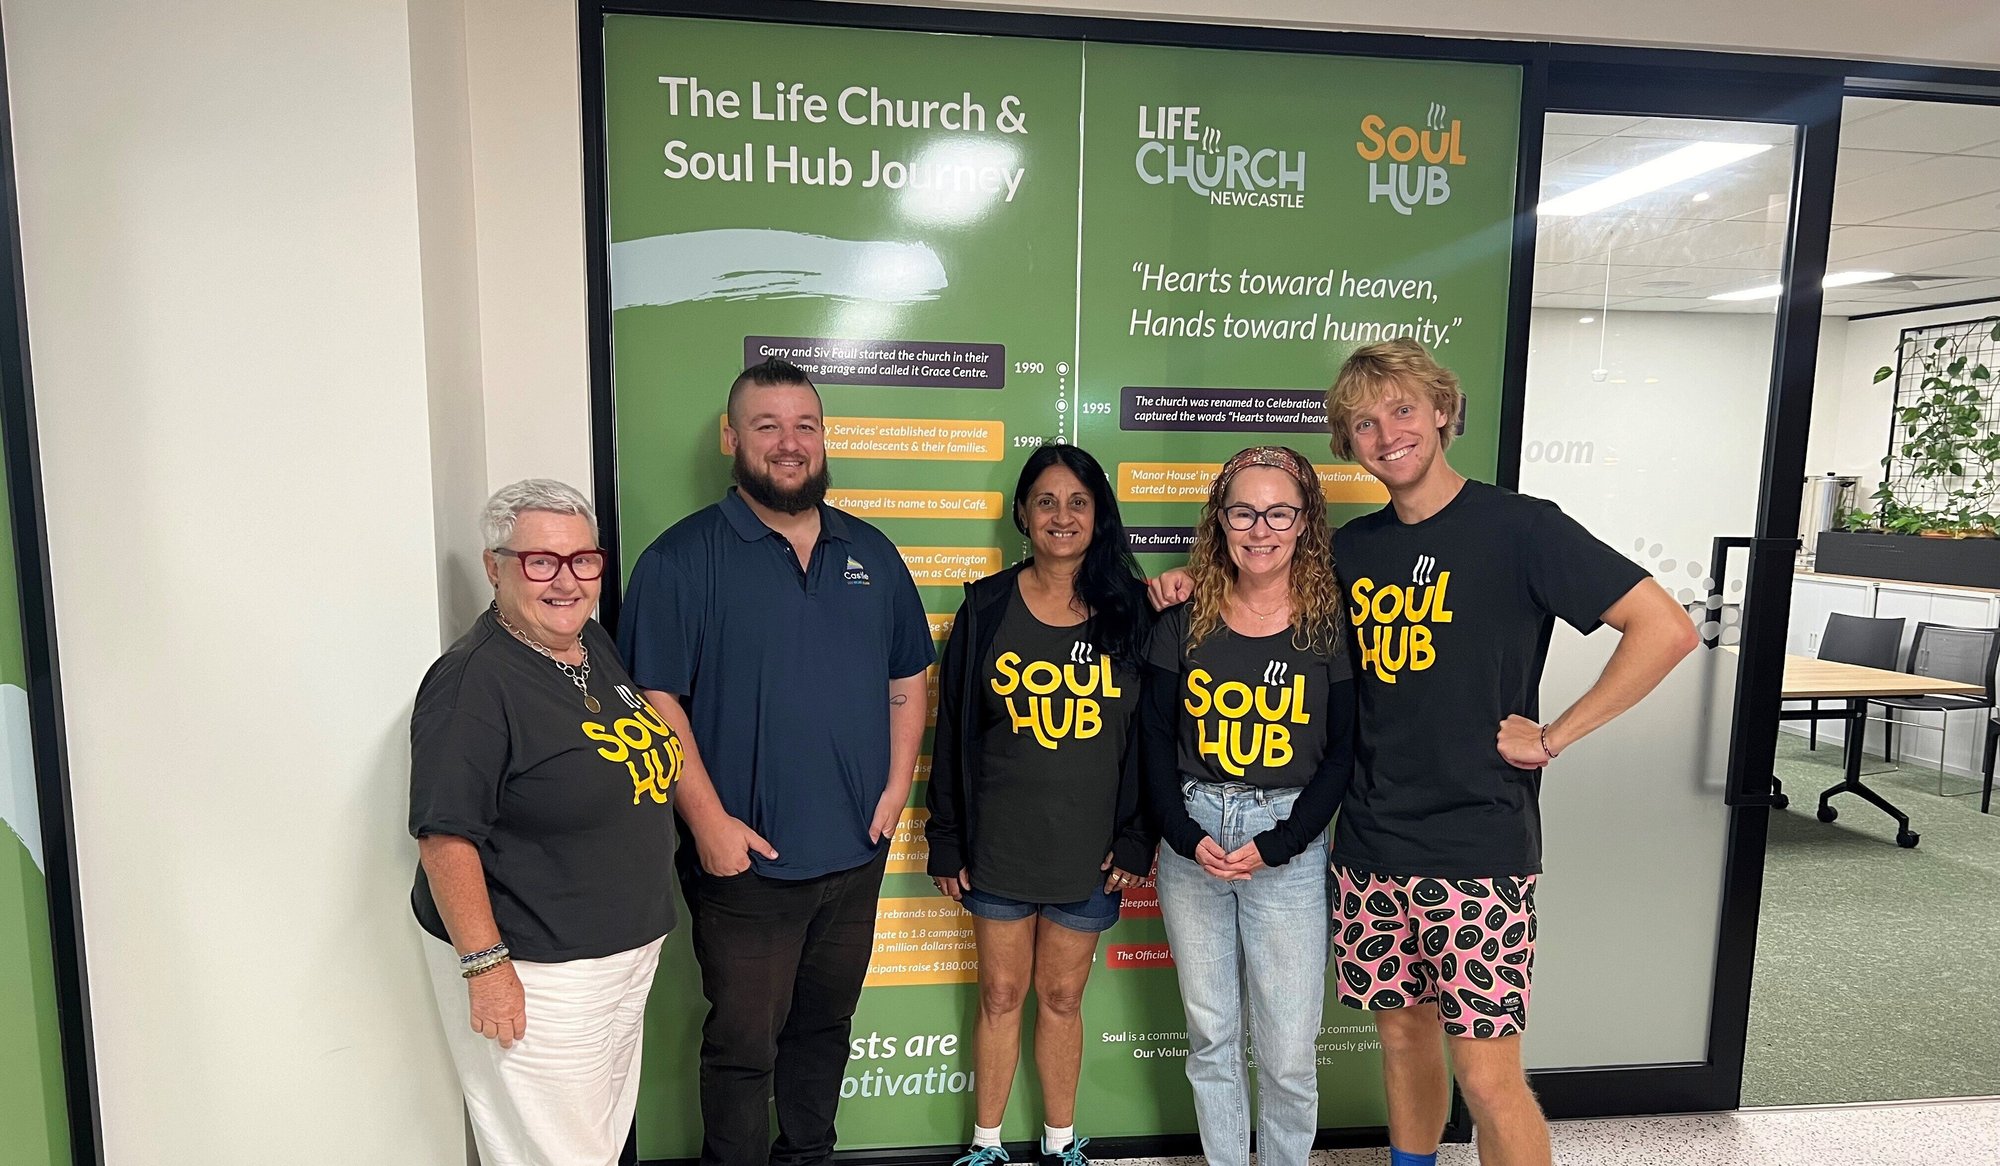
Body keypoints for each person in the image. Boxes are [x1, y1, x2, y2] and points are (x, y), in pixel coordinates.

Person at [1322, 340, 1696, 1166]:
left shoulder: (1522, 528)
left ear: (1444, 410)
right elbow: (1251, 590)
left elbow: (1666, 630)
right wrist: (1173, 586)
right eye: (1364, 423)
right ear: (1348, 445)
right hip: (1372, 844)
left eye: (1403, 410)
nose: (1388, 435)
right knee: (1403, 1047)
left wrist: (1556, 733)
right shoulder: (1351, 551)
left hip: (1480, 847)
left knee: (1488, 1081)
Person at [616, 357, 934, 1166]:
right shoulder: (680, 561)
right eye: (767, 426)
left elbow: (907, 677)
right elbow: (657, 704)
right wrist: (711, 824)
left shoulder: (872, 553)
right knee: (743, 1049)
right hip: (744, 867)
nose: (789, 444)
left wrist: (897, 787)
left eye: (805, 426)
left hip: (854, 856)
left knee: (824, 1031)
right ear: (732, 437)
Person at [409, 478, 683, 1166]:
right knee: (557, 1153)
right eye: (540, 561)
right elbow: (445, 836)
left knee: (597, 1139)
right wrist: (486, 966)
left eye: (582, 559)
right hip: (539, 967)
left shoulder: (589, 645)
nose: (566, 580)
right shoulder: (474, 681)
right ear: (494, 567)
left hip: (621, 951)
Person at [926, 445, 1153, 1166]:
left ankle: (1061, 1145)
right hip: (1000, 843)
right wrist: (947, 838)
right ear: (1022, 513)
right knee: (1000, 994)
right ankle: (986, 1147)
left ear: (1099, 516)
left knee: (1061, 997)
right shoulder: (985, 606)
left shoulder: (1134, 612)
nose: (1062, 516)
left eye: (1078, 502)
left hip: (1091, 849)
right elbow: (954, 730)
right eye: (1047, 502)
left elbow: (1151, 737)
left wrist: (1139, 834)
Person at [1141, 445, 1356, 1166]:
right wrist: (1180, 832)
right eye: (1243, 511)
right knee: (1212, 1041)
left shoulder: (1330, 622)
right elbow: (1152, 737)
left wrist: (1282, 841)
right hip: (1194, 836)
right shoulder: (1184, 614)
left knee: (1290, 1054)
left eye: (1279, 512)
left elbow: (1343, 752)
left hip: (1286, 842)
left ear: (1305, 522)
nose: (1260, 528)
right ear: (1220, 520)